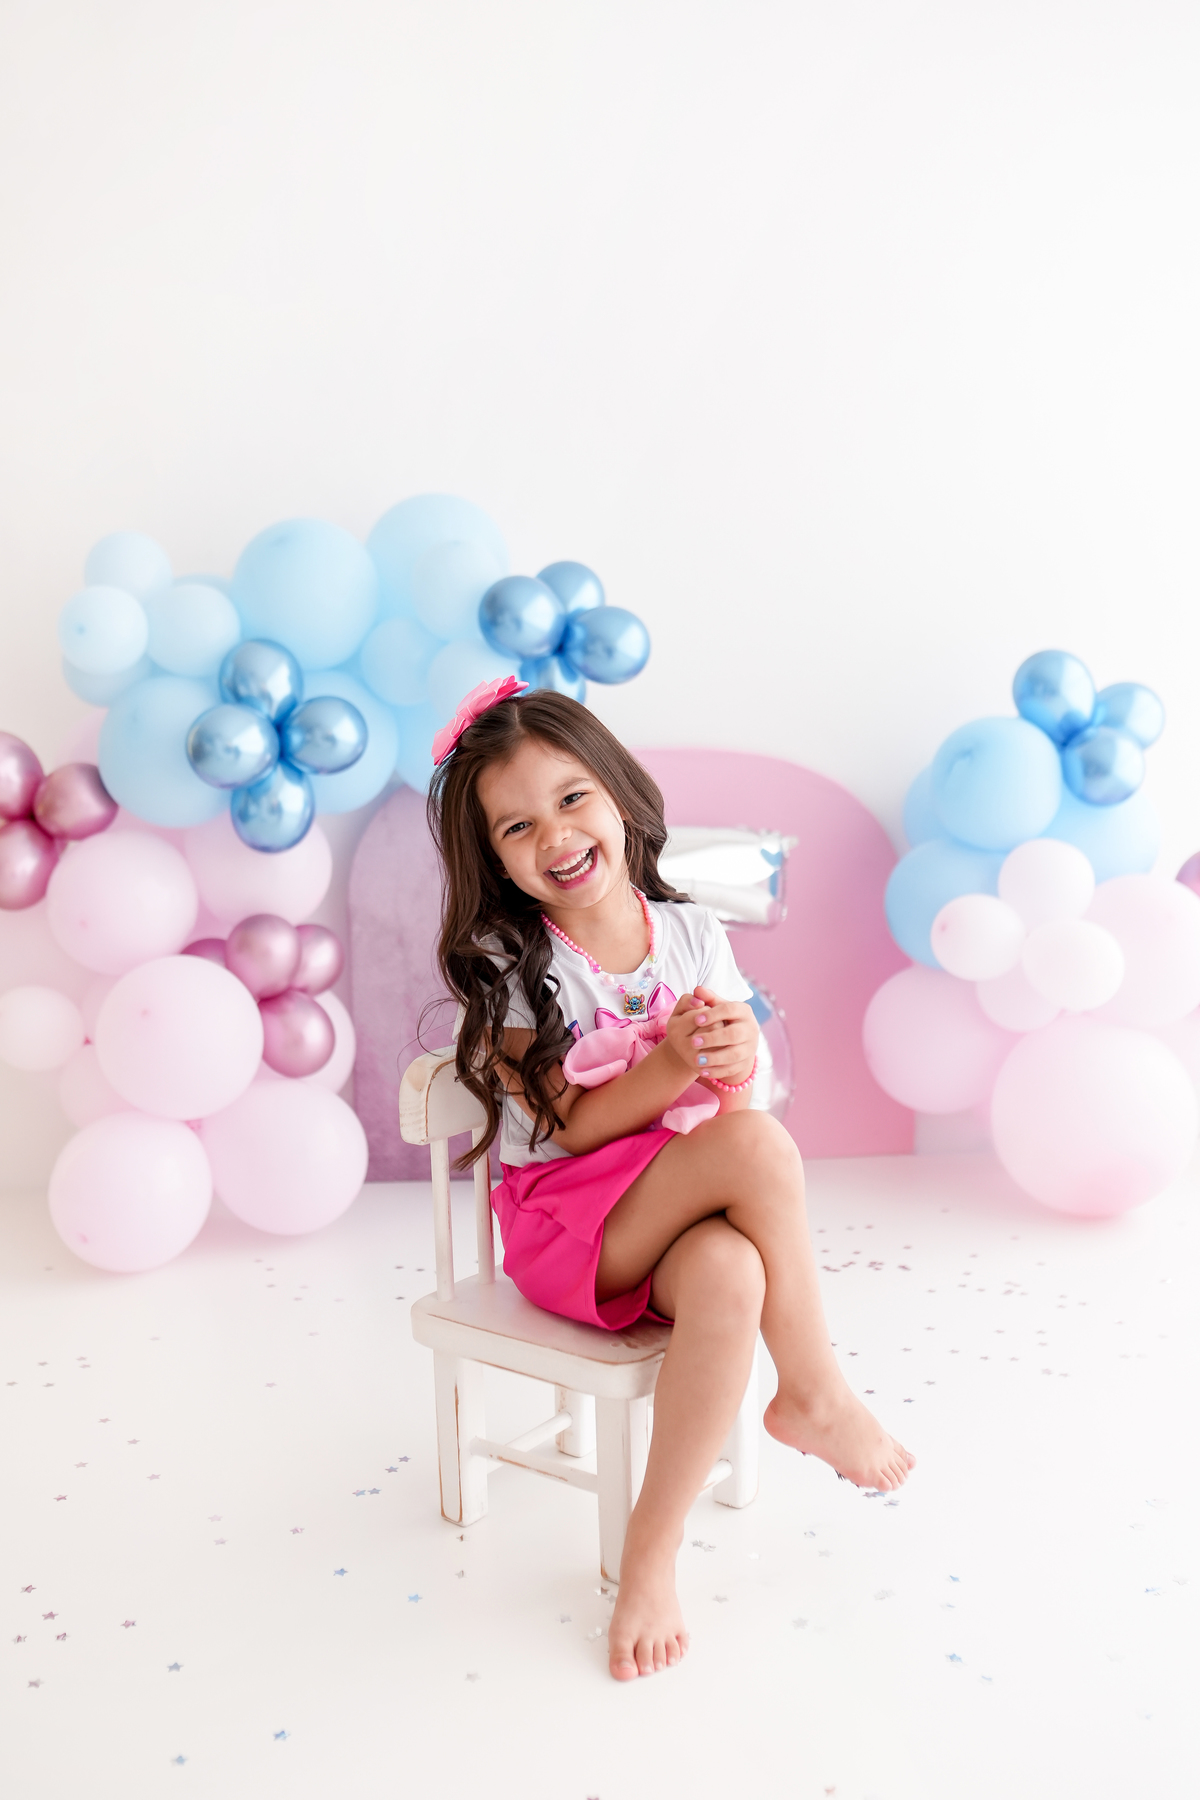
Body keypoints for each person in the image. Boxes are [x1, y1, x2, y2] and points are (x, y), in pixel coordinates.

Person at [426, 676, 914, 1682]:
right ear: (495, 861)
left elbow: (733, 1105)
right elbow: (569, 1127)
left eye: (572, 798)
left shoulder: (690, 933)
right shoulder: (516, 964)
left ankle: (650, 1555)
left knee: (733, 1270)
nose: (556, 835)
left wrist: (732, 1058)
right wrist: (674, 1065)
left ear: (617, 791)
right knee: (762, 1152)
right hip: (570, 1226)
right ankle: (812, 1390)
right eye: (517, 827)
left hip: (664, 1198)